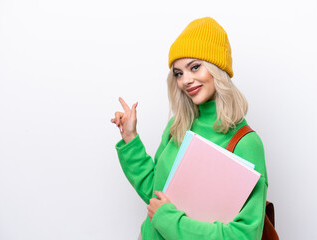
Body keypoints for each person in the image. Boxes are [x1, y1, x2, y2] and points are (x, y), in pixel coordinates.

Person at [111, 17, 268, 240]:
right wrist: (130, 137)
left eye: (195, 67)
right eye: (179, 73)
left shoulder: (245, 143)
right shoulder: (177, 127)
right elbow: (155, 195)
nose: (186, 80)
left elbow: (244, 235)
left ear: (218, 68)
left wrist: (167, 219)